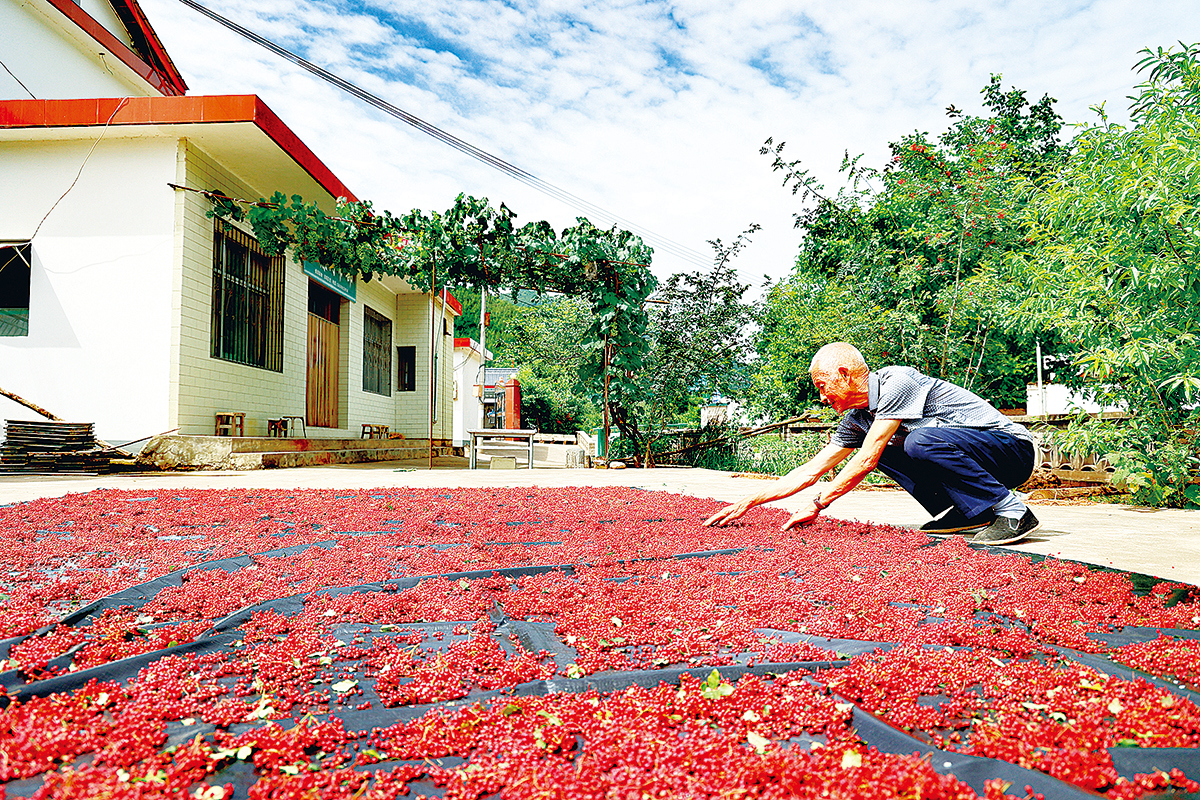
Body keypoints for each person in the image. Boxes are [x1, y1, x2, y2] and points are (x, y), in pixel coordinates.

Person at [704, 342, 1040, 545]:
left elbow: (864, 460)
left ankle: (1014, 512)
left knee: (916, 441)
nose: (822, 398)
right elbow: (812, 469)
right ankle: (970, 511)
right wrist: (751, 500)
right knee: (890, 448)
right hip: (981, 461)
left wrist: (818, 505)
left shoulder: (897, 382)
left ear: (844, 374)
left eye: (823, 386)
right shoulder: (858, 418)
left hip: (1012, 451)